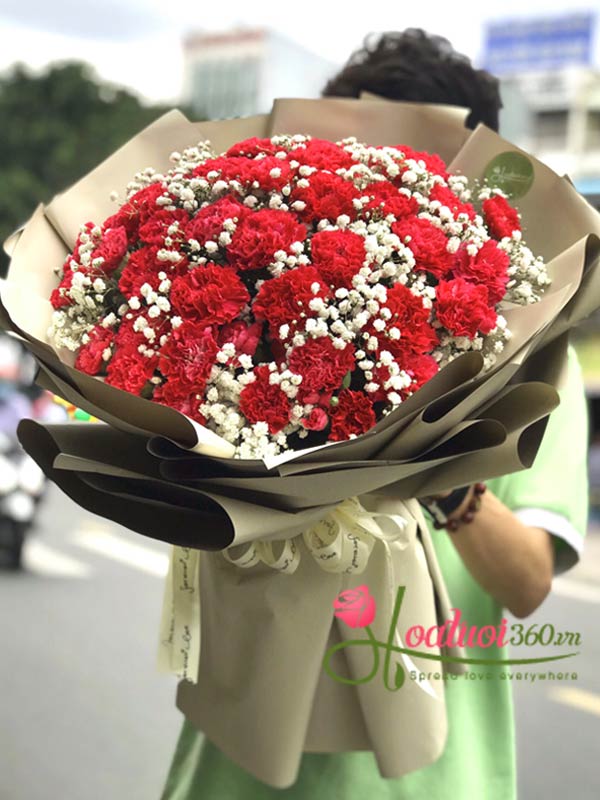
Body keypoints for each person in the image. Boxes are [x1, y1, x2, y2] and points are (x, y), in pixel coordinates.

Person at [160, 30, 589, 800]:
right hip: (237, 768)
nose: (371, 174)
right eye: (350, 147)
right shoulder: (248, 322)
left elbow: (528, 583)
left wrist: (432, 464)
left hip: (427, 776)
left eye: (408, 154)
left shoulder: (525, 357)